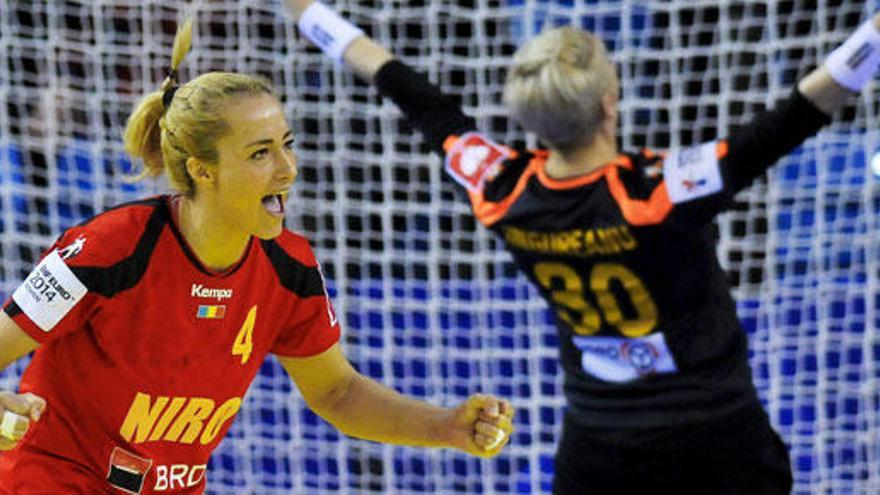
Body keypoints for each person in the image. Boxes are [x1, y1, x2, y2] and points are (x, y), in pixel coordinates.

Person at [285, 2, 880, 493]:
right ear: (608, 103)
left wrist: (306, 9)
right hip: (718, 442)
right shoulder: (661, 192)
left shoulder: (501, 189)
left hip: (599, 447)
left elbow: (405, 88)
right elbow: (799, 113)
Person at [0, 18, 514, 495]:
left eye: (286, 145)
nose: (288, 169)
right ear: (203, 171)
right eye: (260, 153)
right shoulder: (111, 247)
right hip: (49, 478)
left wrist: (445, 427)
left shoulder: (288, 269)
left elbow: (337, 393)